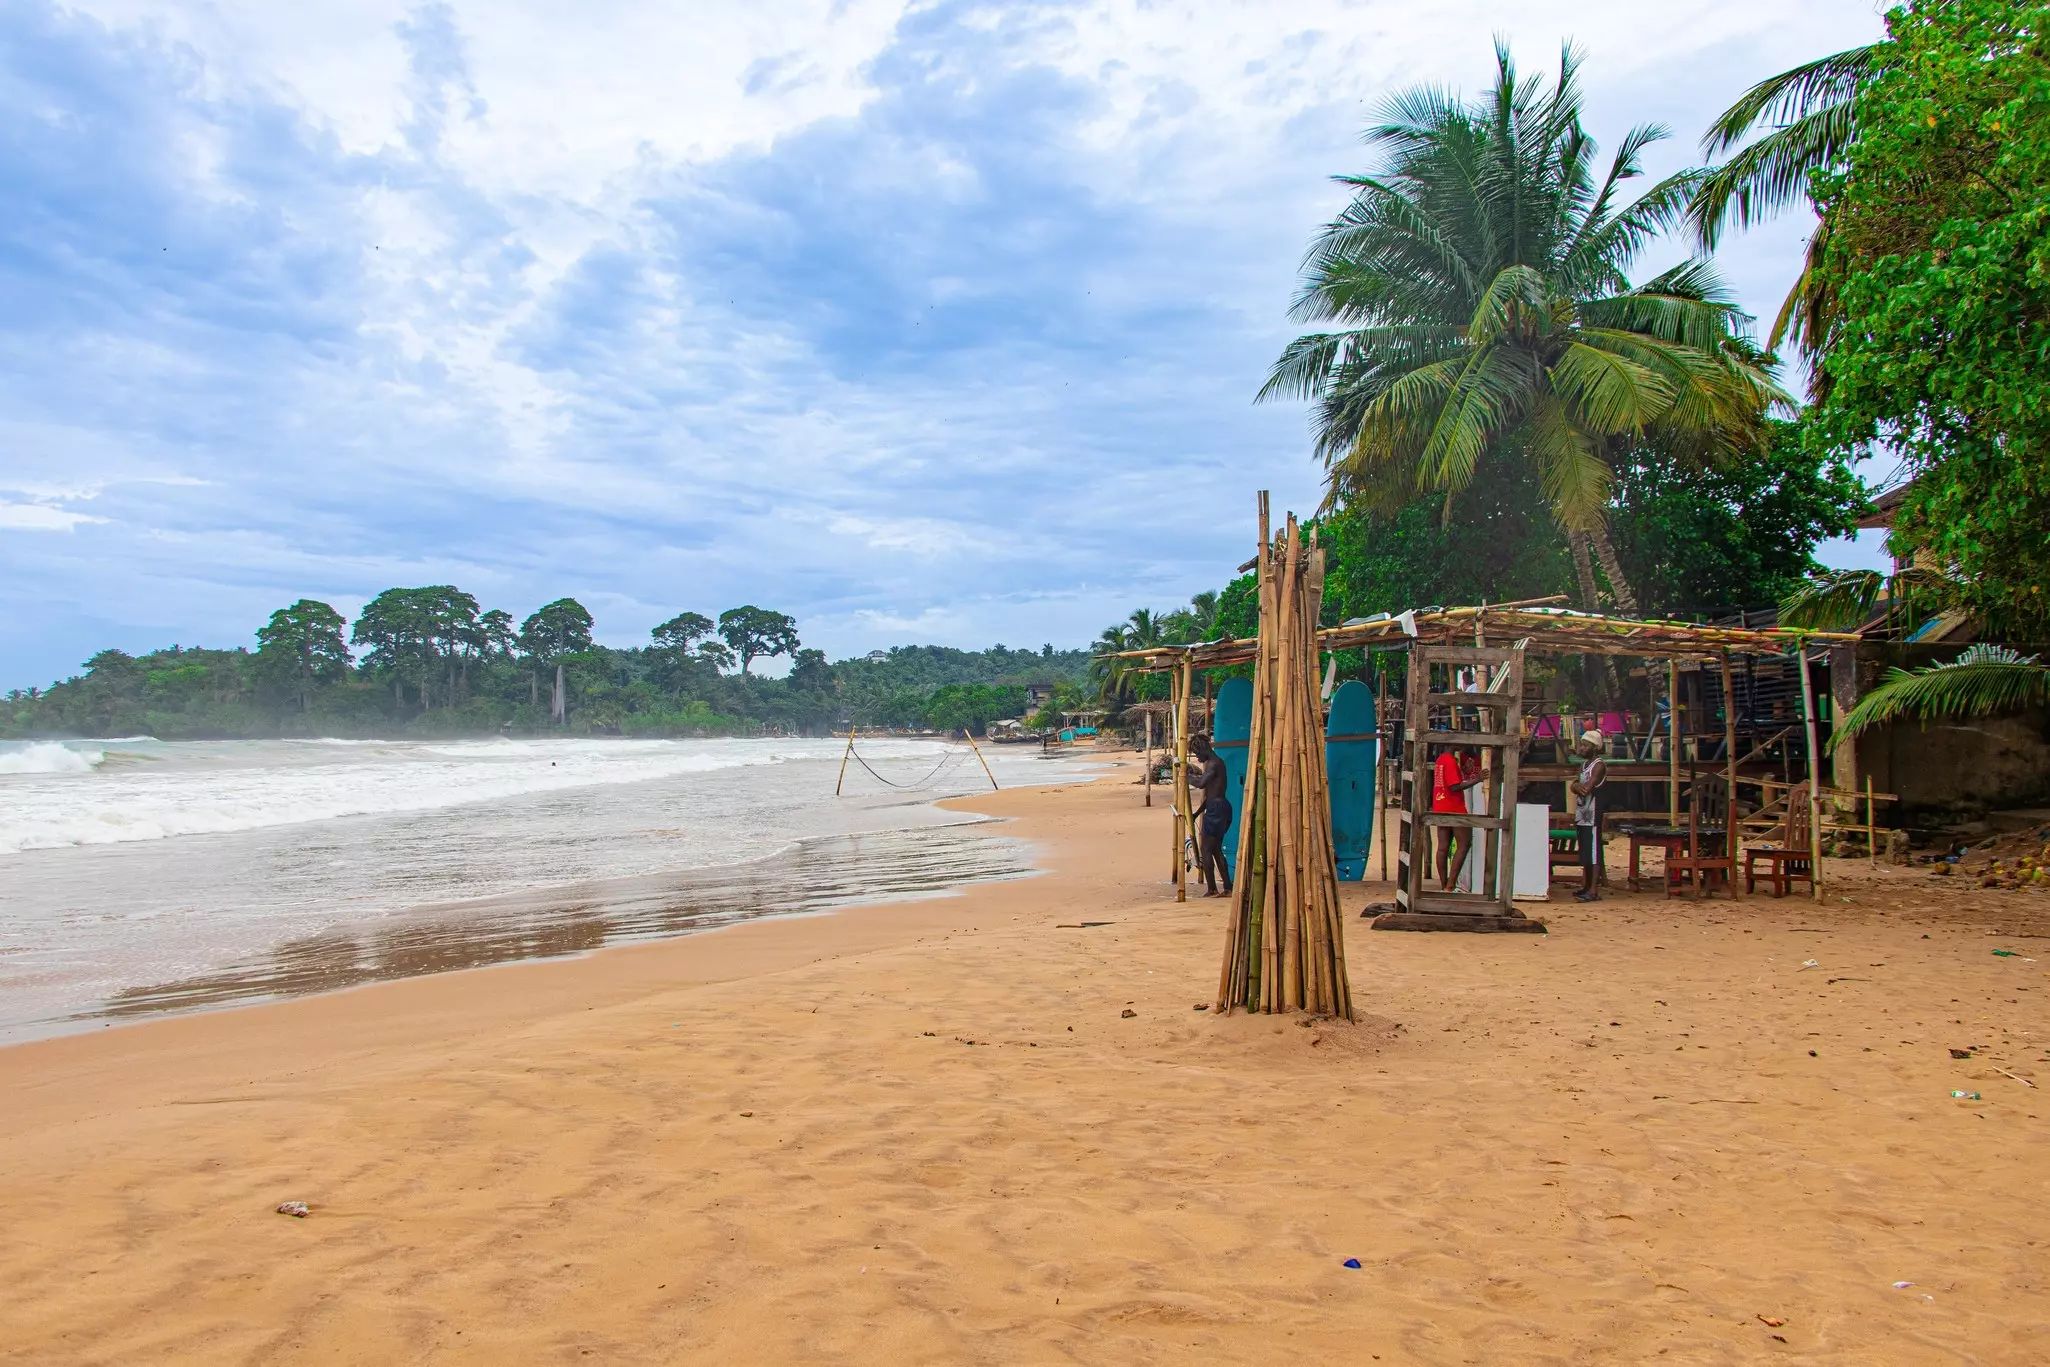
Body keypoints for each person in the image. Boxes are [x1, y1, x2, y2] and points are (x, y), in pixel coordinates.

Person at [1432, 742, 1485, 890]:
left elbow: (1450, 781)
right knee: (1463, 844)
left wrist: (1463, 771)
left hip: (1440, 805)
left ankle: (1444, 884)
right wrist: (1477, 779)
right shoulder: (1449, 760)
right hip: (1454, 807)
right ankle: (1450, 885)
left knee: (1443, 847)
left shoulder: (1441, 760)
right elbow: (1454, 786)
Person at [1187, 733, 1234, 897]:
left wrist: (1186, 776)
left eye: (1196, 754)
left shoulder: (1214, 764)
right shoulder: (1217, 763)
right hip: (1220, 807)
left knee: (1206, 849)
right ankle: (1227, 887)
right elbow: (1211, 795)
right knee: (1215, 849)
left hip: (1216, 809)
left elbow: (1200, 784)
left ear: (1202, 749)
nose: (1197, 758)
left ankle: (1212, 888)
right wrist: (1197, 813)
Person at [1566, 729, 1608, 902]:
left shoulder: (1598, 765)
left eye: (1585, 746)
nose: (1581, 748)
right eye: (1581, 745)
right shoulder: (1583, 766)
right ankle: (1585, 885)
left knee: (1593, 850)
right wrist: (1575, 786)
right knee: (1585, 849)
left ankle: (1593, 890)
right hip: (1582, 813)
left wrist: (1575, 786)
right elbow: (1576, 785)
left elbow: (1585, 788)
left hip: (1594, 813)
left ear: (1594, 748)